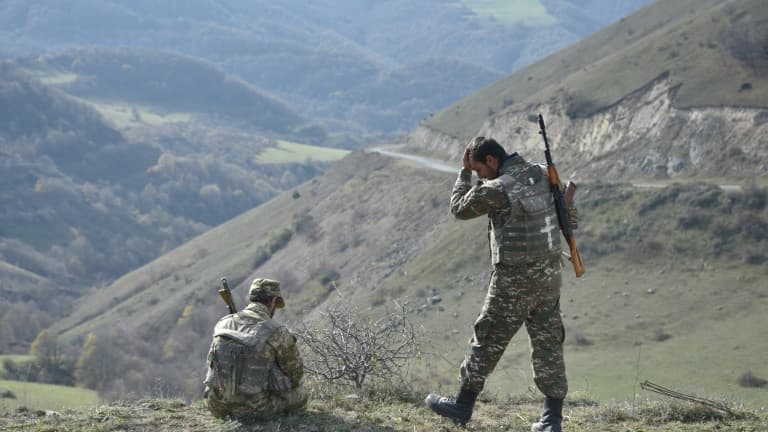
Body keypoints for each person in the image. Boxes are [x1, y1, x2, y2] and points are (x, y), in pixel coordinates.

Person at [425, 137, 570, 432]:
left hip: (514, 281)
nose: (481, 176)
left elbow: (459, 208)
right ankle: (551, 420)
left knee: (486, 339)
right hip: (549, 277)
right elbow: (565, 207)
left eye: (480, 170)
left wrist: (464, 173)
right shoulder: (542, 173)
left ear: (491, 161)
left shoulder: (498, 188)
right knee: (548, 344)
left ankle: (462, 407)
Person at [204, 278, 307, 422]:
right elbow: (295, 374)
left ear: (251, 299)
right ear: (272, 302)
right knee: (301, 394)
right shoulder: (277, 331)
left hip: (217, 407)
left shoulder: (222, 323)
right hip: (258, 411)